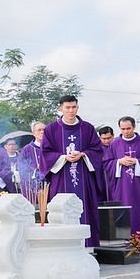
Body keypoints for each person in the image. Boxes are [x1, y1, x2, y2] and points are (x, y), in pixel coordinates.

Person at [39, 95, 104, 247]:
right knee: (61, 210)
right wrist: (63, 157)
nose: (71, 110)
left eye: (73, 107)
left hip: (84, 178)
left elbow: (97, 150)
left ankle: (88, 247)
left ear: (77, 107)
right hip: (61, 178)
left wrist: (83, 155)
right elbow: (45, 153)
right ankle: (62, 246)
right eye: (67, 107)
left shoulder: (87, 128)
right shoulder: (51, 129)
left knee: (86, 210)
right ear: (61, 109)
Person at [104, 116, 140, 234]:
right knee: (122, 210)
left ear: (134, 127)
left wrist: (137, 162)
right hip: (121, 188)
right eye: (122, 129)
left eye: (128, 128)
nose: (126, 131)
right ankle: (122, 237)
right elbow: (106, 163)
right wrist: (119, 162)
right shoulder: (114, 144)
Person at [18, 121, 46, 199]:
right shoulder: (27, 149)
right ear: (33, 133)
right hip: (32, 185)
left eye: (44, 130)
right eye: (39, 130)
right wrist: (35, 167)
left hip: (49, 184)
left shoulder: (52, 147)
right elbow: (21, 168)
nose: (42, 132)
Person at [97, 125, 116, 202]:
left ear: (113, 135)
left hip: (115, 177)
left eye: (109, 138)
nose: (106, 141)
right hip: (101, 177)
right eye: (104, 139)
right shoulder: (97, 149)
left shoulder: (117, 147)